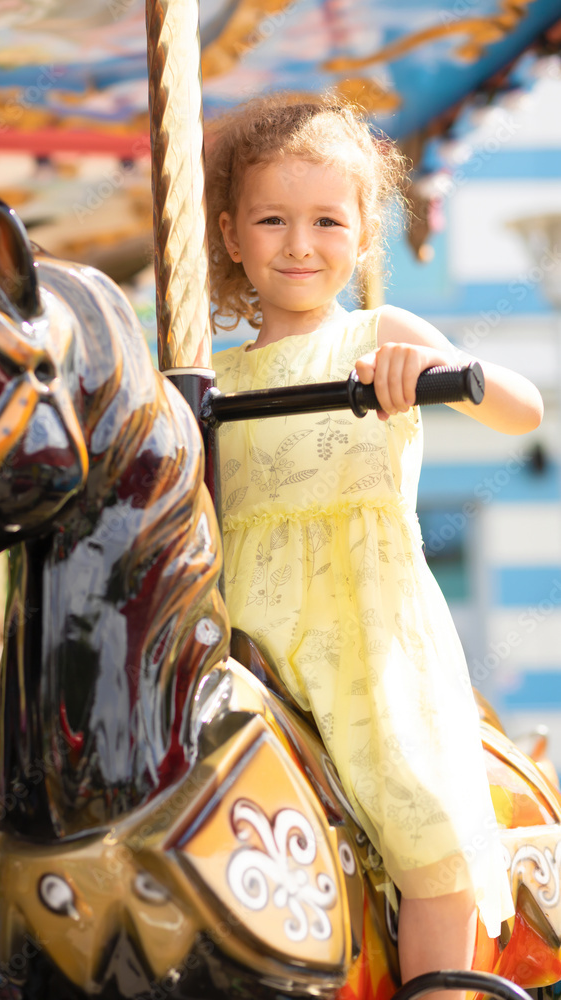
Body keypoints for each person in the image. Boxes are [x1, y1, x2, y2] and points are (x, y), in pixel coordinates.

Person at [206, 93, 543, 996]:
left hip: (363, 629)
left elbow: (523, 407)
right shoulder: (209, 375)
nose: (299, 243)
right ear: (232, 235)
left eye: (326, 220)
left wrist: (435, 376)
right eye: (271, 220)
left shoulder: (377, 337)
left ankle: (439, 985)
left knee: (422, 823)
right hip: (243, 626)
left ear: (361, 237)